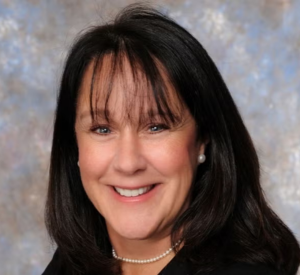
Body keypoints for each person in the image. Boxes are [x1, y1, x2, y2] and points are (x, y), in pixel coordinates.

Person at [42, 3, 300, 275]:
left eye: (156, 126)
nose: (128, 163)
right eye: (102, 129)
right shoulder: (70, 265)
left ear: (202, 139)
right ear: (74, 145)